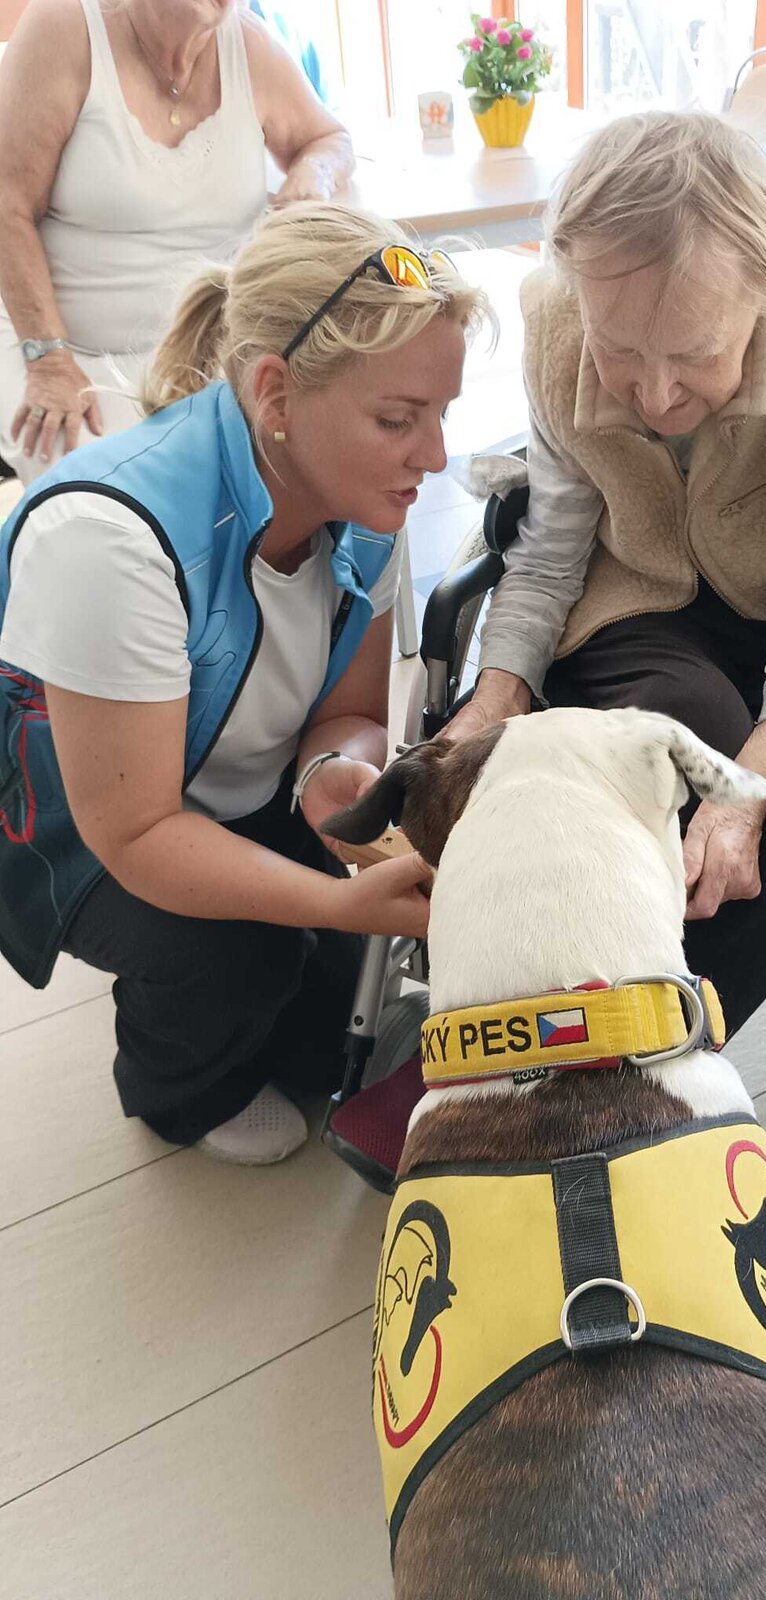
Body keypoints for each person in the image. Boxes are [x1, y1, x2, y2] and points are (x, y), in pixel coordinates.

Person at [446, 110, 766, 1036]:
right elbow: (551, 552)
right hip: (649, 589)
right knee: (679, 733)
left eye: (694, 355)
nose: (654, 396)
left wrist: (744, 803)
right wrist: (489, 704)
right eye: (619, 352)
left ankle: (626, 1038)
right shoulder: (554, 315)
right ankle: (605, 1029)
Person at [0, 203, 489, 1164]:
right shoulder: (109, 535)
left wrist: (327, 775)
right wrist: (334, 904)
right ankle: (173, 1093)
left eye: (442, 415)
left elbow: (349, 711)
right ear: (274, 392)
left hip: (222, 787)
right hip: (76, 823)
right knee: (240, 958)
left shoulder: (366, 502)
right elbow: (136, 831)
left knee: (332, 1024)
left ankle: (237, 983)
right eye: (398, 419)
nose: (434, 458)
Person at [0, 0, 354, 483]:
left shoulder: (248, 42)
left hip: (211, 354)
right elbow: (8, 205)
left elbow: (330, 138)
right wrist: (49, 362)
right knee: (102, 494)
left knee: (295, 470)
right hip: (63, 350)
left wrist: (315, 173)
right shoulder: (64, 27)